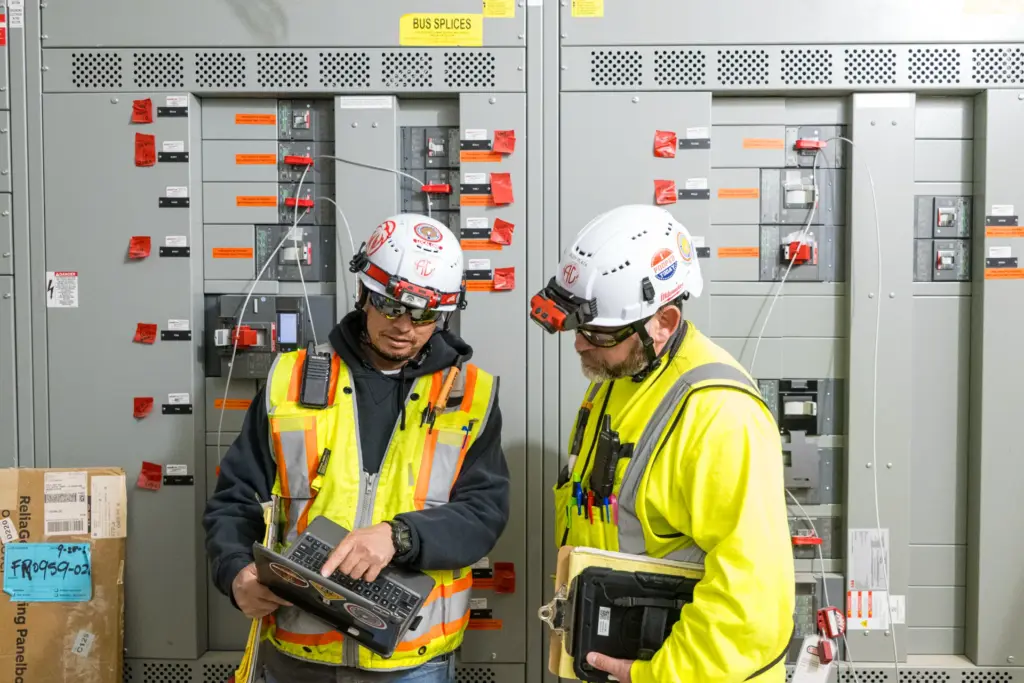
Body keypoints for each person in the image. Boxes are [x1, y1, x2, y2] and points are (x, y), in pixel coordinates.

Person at [204, 214, 511, 683]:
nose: (405, 326)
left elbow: (483, 513)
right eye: (391, 306)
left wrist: (398, 536)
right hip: (298, 654)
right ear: (364, 293)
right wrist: (236, 573)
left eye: (425, 314)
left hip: (412, 661)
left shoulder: (470, 396)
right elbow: (235, 498)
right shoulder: (290, 381)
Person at [529, 205, 795, 682]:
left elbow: (750, 595)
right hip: (622, 656)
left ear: (664, 322)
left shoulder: (720, 415)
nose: (580, 345)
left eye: (598, 332)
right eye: (578, 328)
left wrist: (659, 675)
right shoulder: (621, 375)